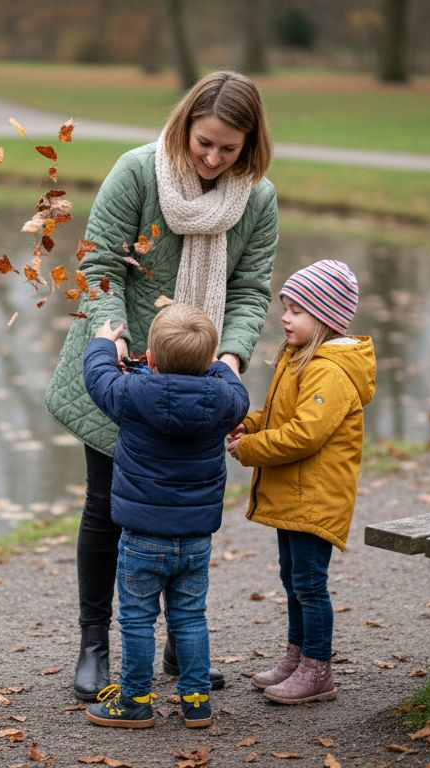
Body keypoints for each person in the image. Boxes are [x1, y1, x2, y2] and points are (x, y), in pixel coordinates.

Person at [44, 70, 278, 701]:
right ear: (185, 126)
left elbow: (253, 290)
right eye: (204, 142)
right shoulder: (138, 172)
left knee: (184, 515)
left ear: (249, 145)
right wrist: (112, 332)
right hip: (122, 369)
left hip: (200, 381)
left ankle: (182, 641)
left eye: (228, 149)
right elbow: (97, 266)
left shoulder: (256, 199)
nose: (211, 158)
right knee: (105, 506)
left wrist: (230, 358)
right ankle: (95, 644)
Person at [79, 304, 250, 728]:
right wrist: (213, 363)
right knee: (190, 616)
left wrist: (105, 342)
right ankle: (195, 701)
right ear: (209, 360)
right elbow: (235, 386)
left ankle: (135, 700)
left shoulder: (131, 394)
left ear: (150, 358)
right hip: (194, 540)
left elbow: (97, 377)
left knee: (137, 619)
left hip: (141, 539)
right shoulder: (226, 402)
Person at [226, 259, 376, 705]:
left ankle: (318, 669)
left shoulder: (330, 371)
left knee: (310, 582)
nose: (285, 317)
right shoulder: (298, 358)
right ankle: (296, 657)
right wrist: (250, 425)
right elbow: (282, 417)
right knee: (293, 577)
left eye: (296, 311)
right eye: (285, 308)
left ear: (325, 318)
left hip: (314, 495)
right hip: (296, 493)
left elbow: (305, 434)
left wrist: (251, 451)